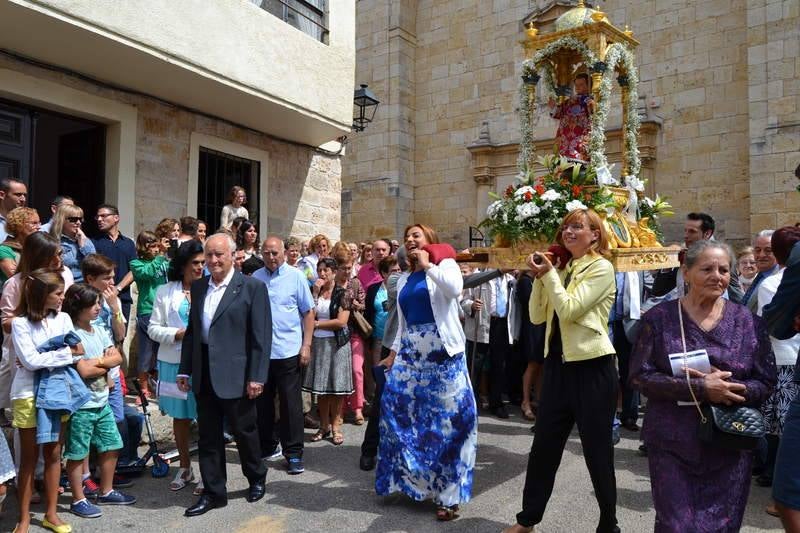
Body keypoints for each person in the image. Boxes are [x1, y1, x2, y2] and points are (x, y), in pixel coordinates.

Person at [629, 239, 777, 532]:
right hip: (672, 441)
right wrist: (699, 388)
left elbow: (766, 382)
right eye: (707, 268)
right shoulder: (660, 319)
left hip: (730, 444)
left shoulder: (748, 322)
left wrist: (731, 389)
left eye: (724, 270)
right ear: (686, 272)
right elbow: (639, 377)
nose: (717, 276)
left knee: (721, 525)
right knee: (676, 524)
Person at [504, 209, 618, 533]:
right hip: (557, 369)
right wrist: (542, 277)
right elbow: (538, 316)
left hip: (592, 369)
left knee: (598, 453)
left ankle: (609, 525)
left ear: (595, 234)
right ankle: (527, 520)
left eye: (577, 227)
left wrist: (550, 274)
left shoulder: (601, 267)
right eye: (566, 226)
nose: (568, 231)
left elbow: (568, 310)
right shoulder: (563, 267)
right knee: (543, 449)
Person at [376, 223, 477, 521]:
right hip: (411, 356)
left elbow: (454, 290)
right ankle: (409, 483)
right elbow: (403, 324)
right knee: (400, 416)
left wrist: (429, 265)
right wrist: (392, 355)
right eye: (407, 237)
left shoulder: (445, 264)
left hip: (443, 356)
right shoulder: (405, 278)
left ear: (430, 239)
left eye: (415, 235)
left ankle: (448, 496)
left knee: (448, 422)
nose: (410, 239)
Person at [178, 233, 271, 517]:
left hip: (237, 372)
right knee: (208, 436)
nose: (213, 260)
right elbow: (193, 332)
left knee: (245, 431)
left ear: (232, 255)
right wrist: (185, 368)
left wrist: (257, 376)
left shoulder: (251, 287)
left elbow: (261, 336)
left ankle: (256, 476)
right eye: (209, 255)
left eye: (219, 254)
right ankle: (214, 492)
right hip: (204, 370)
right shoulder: (199, 286)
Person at [10, 269, 78, 533]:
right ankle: (24, 518)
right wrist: (59, 354)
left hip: (57, 392)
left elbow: (77, 351)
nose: (62, 298)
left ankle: (51, 513)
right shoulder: (20, 323)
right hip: (27, 395)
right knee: (28, 458)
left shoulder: (63, 319)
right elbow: (29, 361)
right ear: (41, 295)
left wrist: (43, 356)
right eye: (58, 293)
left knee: (53, 454)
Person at [62, 283, 136, 518]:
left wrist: (100, 363)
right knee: (76, 453)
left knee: (112, 444)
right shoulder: (71, 334)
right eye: (93, 304)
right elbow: (84, 371)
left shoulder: (99, 328)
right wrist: (104, 363)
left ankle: (106, 490)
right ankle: (78, 499)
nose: (98, 307)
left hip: (102, 400)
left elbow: (117, 356)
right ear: (78, 306)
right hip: (81, 404)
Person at [253, 236, 314, 475]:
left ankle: (294, 453)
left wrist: (306, 345)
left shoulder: (296, 276)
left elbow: (308, 313)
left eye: (275, 253)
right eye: (266, 253)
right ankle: (267, 446)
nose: (271, 257)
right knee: (263, 404)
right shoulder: (255, 278)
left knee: (291, 406)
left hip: (289, 351)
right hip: (262, 353)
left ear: (283, 252)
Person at [148, 241, 204, 493]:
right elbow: (152, 328)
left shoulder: (210, 288)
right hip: (173, 361)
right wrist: (177, 334)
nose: (201, 267)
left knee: (207, 417)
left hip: (204, 362)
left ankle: (209, 472)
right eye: (195, 263)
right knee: (181, 418)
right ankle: (185, 467)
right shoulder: (165, 291)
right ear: (182, 266)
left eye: (203, 262)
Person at [0, 233, 74, 419]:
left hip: (60, 356)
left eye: (60, 253)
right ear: (39, 256)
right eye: (53, 255)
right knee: (27, 417)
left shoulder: (65, 275)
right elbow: (7, 323)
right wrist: (33, 310)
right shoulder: (16, 284)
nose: (59, 259)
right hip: (27, 353)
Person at [81, 254, 142, 472]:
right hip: (94, 372)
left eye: (113, 277)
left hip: (112, 370)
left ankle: (114, 467)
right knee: (92, 423)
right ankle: (93, 470)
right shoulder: (82, 303)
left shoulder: (108, 302)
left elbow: (120, 334)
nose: (112, 283)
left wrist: (115, 309)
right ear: (90, 279)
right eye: (107, 278)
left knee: (117, 418)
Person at [756, 227, 800, 499]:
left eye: (767, 250)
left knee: (786, 494)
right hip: (788, 359)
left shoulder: (780, 278)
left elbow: (773, 322)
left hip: (786, 359)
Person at [360, 250, 406, 471]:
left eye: (400, 269)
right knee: (381, 398)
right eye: (393, 271)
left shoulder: (414, 280)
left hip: (412, 346)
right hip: (390, 346)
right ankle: (369, 449)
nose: (397, 273)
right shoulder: (397, 285)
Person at [304, 257, 354, 445]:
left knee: (337, 389)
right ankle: (323, 426)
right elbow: (308, 313)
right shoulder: (313, 292)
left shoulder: (344, 293)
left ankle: (336, 426)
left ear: (334, 272)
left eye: (326, 270)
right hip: (318, 344)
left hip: (337, 345)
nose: (322, 274)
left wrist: (316, 324)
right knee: (321, 389)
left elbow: (341, 322)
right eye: (320, 270)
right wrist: (315, 293)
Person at [650, 212, 744, 304]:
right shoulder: (681, 254)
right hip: (684, 314)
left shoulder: (722, 258)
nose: (686, 236)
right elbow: (658, 291)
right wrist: (667, 264)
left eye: (692, 231)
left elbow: (735, 292)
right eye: (685, 231)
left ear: (707, 234)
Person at [129, 230, 170, 399]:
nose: (156, 249)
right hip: (147, 311)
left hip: (164, 311)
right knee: (146, 352)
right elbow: (147, 273)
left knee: (162, 352)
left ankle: (159, 387)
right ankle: (143, 390)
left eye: (157, 245)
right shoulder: (136, 263)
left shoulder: (163, 261)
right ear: (144, 247)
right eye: (152, 246)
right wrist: (160, 256)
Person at [91, 204, 138, 321]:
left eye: (104, 216)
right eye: (98, 217)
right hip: (99, 298)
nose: (99, 219)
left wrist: (118, 288)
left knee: (121, 336)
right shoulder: (93, 242)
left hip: (123, 298)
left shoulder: (128, 243)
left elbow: (134, 269)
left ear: (116, 218)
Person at [516, 269, 545, 421]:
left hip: (541, 326)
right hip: (532, 327)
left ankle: (537, 400)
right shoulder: (525, 281)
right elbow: (532, 304)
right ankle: (525, 401)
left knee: (541, 365)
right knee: (532, 364)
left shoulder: (536, 279)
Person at [548, 73, 595, 161]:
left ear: (589, 86)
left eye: (581, 84)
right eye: (576, 85)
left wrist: (592, 106)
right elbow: (558, 113)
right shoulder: (569, 102)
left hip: (581, 139)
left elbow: (595, 114)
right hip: (565, 140)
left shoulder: (591, 101)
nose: (577, 87)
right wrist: (553, 107)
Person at [50, 203, 95, 283]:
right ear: (62, 220)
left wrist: (83, 245)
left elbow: (95, 264)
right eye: (73, 219)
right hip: (63, 285)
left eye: (80, 219)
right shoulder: (53, 241)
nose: (78, 222)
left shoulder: (85, 240)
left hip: (84, 286)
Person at [0, 207, 41, 283]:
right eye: (34, 223)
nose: (39, 227)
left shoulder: (38, 247)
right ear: (19, 225)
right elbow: (15, 276)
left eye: (39, 223)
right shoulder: (4, 249)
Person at [743, 229, 778, 310]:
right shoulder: (761, 275)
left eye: (768, 250)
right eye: (757, 250)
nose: (761, 255)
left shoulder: (778, 280)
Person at [0, 178, 28, 243]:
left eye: (25, 195)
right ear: (2, 195)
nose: (23, 199)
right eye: (18, 194)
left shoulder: (28, 221)